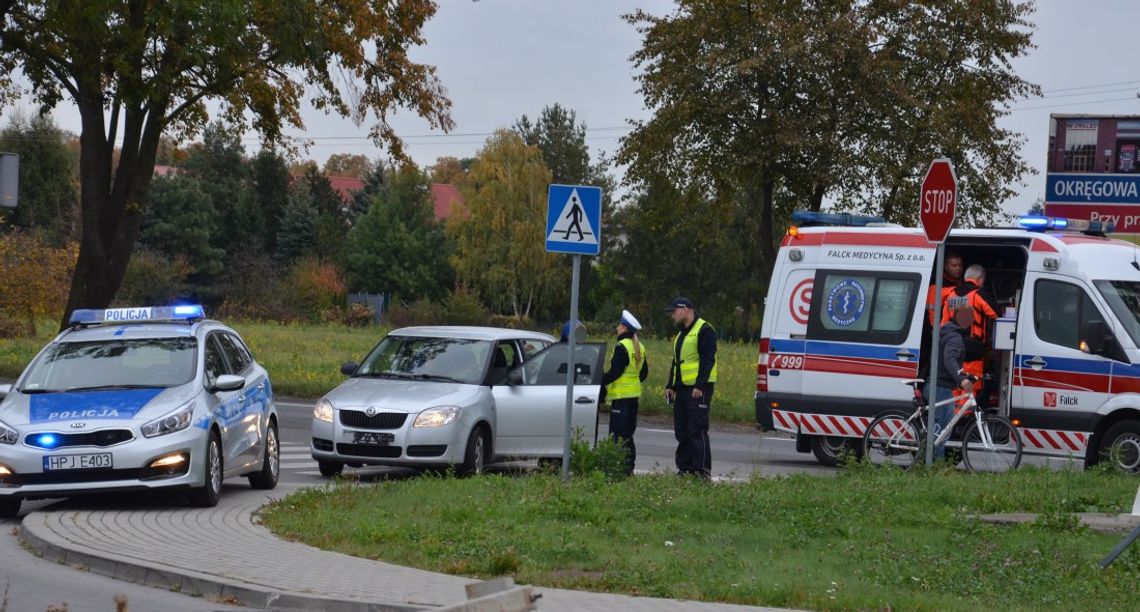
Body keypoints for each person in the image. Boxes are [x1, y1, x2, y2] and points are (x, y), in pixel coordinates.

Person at [664, 297, 717, 478]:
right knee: (682, 430)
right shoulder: (681, 335)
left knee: (697, 429)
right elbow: (677, 362)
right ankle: (685, 468)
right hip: (683, 389)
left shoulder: (704, 330)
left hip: (698, 389)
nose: (672, 315)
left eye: (674, 311)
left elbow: (708, 360)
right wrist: (670, 385)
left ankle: (701, 471)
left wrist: (700, 386)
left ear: (686, 309)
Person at [600, 309, 649, 475]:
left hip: (621, 399)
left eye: (619, 325)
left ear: (625, 328)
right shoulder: (639, 347)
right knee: (628, 435)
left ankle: (617, 470)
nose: (617, 328)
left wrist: (599, 381)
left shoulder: (622, 347)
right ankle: (628, 468)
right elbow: (643, 374)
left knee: (617, 436)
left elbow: (615, 372)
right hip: (633, 398)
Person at [942, 264, 999, 401]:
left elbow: (943, 324)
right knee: (970, 385)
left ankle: (953, 417)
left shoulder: (951, 295)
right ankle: (966, 418)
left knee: (956, 383)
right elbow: (996, 314)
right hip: (972, 348)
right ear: (980, 280)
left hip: (952, 345)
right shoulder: (978, 295)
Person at [932, 303, 975, 459]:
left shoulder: (948, 331)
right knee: (943, 427)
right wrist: (961, 379)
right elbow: (949, 359)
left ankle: (931, 460)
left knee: (941, 425)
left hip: (937, 383)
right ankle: (935, 463)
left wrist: (964, 374)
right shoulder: (955, 337)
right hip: (940, 385)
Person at [926, 252, 964, 325]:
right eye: (954, 266)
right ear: (945, 267)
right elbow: (932, 312)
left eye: (960, 265)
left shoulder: (963, 282)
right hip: (943, 328)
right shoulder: (937, 285)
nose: (958, 268)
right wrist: (936, 332)